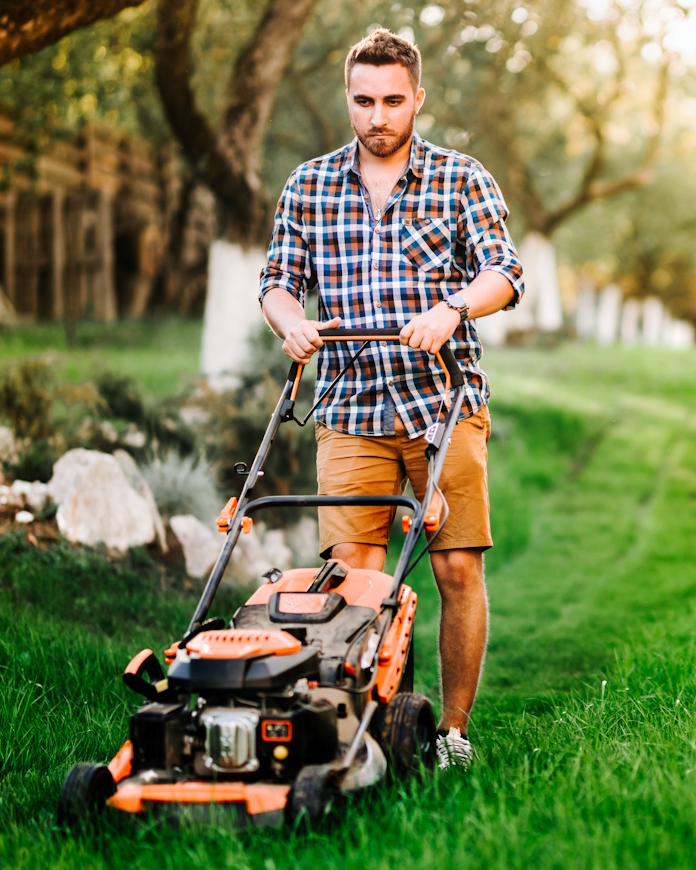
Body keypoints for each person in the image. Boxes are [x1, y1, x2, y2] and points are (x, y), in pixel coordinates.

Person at [257, 27, 523, 770]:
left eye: (393, 102)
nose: (378, 116)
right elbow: (277, 281)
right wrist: (291, 324)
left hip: (443, 402)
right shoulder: (309, 186)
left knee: (456, 568)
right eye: (364, 101)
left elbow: (505, 271)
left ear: (418, 100)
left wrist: (455, 309)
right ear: (348, 98)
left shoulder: (461, 177)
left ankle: (453, 735)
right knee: (358, 583)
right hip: (349, 410)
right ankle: (373, 732)